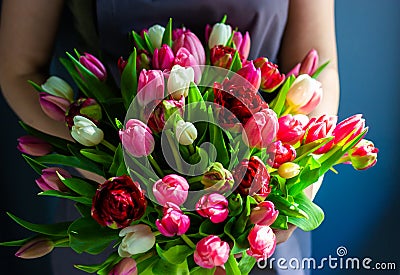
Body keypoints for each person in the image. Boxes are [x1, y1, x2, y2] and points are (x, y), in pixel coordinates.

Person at [0, 0, 339, 274]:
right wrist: (104, 160)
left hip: (257, 202)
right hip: (115, 198)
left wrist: (293, 195)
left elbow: (317, 64)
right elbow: (20, 70)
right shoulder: (112, 180)